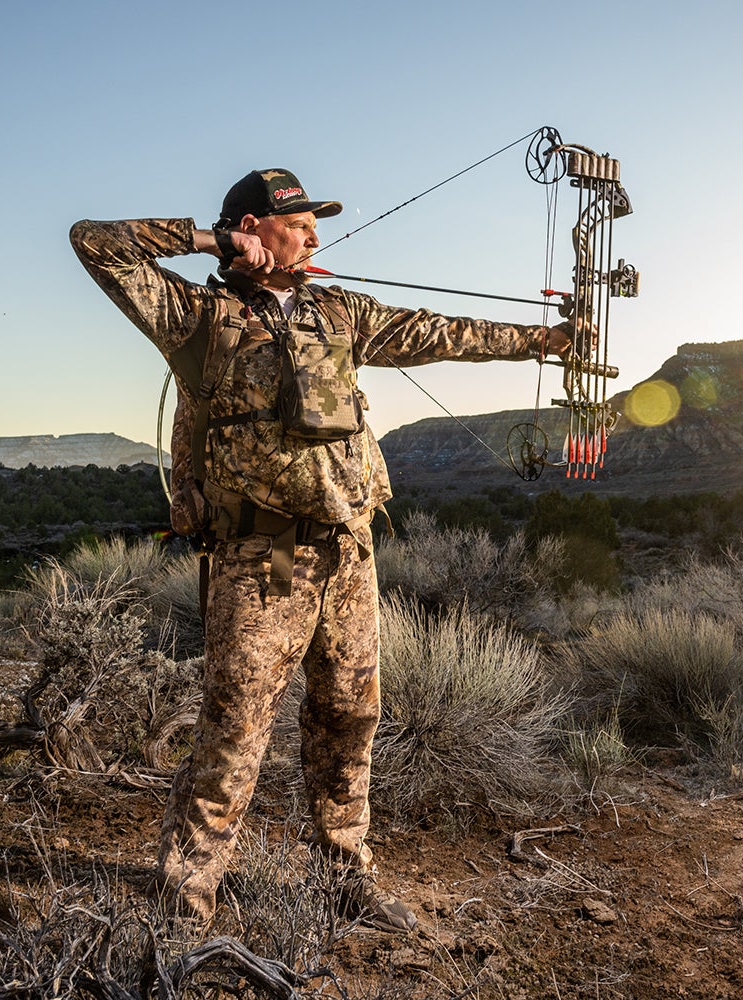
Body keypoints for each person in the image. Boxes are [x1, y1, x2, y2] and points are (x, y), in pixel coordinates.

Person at [69, 168, 576, 932]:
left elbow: (441, 331)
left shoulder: (337, 309)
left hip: (348, 551)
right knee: (237, 727)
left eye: (314, 223)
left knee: (349, 715)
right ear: (254, 226)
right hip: (261, 559)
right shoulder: (194, 313)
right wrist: (209, 241)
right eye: (300, 221)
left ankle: (345, 877)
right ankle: (185, 902)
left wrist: (546, 339)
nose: (314, 235)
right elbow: (95, 245)